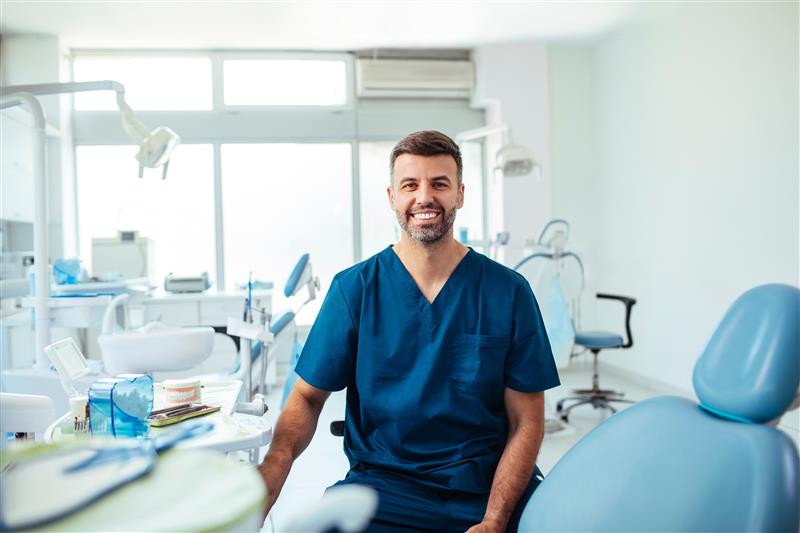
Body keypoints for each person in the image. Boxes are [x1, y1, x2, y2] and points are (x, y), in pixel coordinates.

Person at [258, 130, 560, 532]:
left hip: (488, 488)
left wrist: (494, 519)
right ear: (392, 197)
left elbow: (527, 421)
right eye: (410, 185)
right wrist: (270, 474)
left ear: (460, 194)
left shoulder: (508, 292)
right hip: (385, 489)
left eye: (440, 184)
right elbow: (307, 397)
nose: (425, 197)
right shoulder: (355, 290)